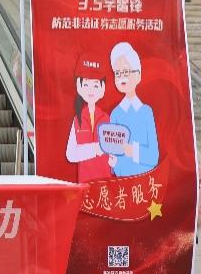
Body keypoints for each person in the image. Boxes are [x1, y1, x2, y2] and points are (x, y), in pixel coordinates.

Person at [108, 41, 160, 177]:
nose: (121, 77)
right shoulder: (115, 114)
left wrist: (132, 150)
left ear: (138, 75)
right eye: (117, 73)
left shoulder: (146, 112)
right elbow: (114, 155)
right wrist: (113, 164)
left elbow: (153, 156)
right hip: (122, 181)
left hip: (145, 180)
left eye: (126, 71)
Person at [64, 54, 113, 182]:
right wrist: (96, 148)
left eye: (95, 85)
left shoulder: (107, 119)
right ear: (79, 86)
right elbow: (71, 155)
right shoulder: (77, 119)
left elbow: (114, 150)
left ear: (102, 88)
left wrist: (115, 161)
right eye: (86, 85)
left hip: (105, 184)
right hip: (85, 184)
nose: (91, 90)